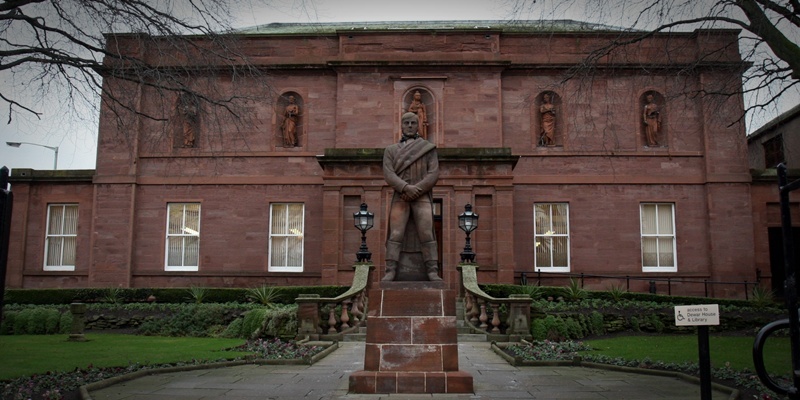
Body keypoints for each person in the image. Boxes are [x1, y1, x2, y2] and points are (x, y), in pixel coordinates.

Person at [382, 112, 440, 281]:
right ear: (401, 125)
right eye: (406, 123)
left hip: (421, 196)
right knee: (396, 233)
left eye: (413, 123)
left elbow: (433, 173)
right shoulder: (390, 150)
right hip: (401, 196)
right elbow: (389, 174)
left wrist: (417, 190)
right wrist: (406, 188)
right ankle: (390, 270)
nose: (409, 126)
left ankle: (432, 270)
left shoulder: (429, 148)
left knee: (426, 232)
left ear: (418, 125)